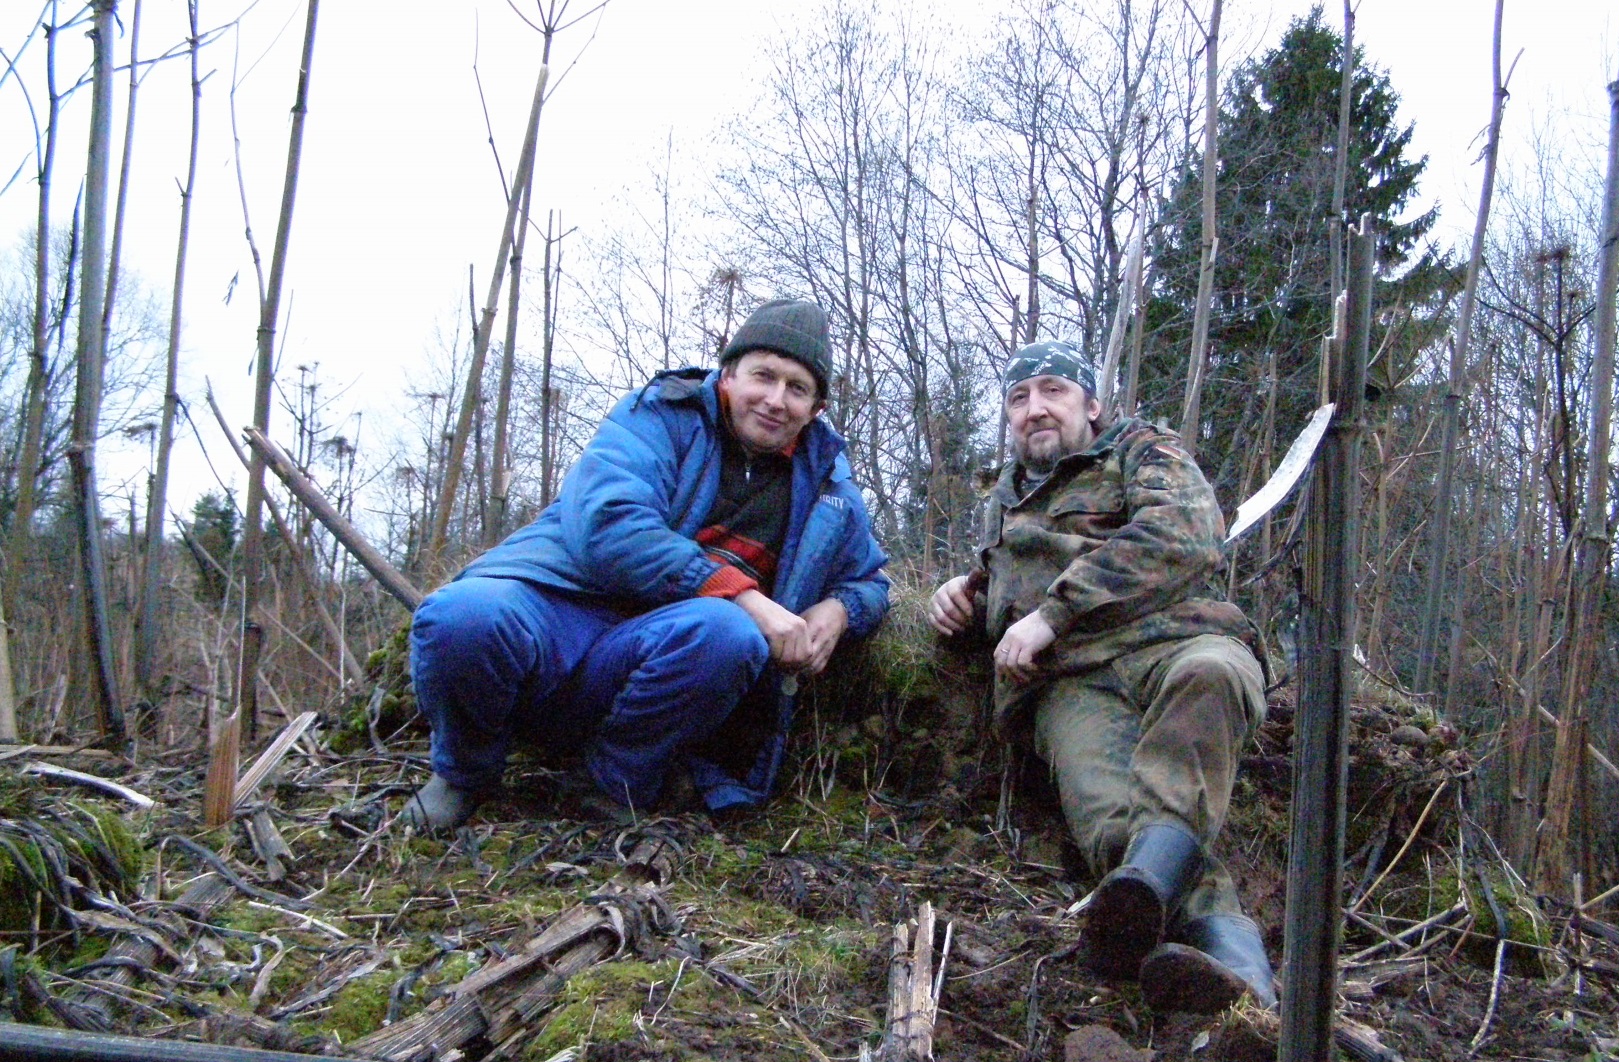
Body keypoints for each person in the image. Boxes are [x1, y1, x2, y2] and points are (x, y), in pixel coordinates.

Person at [402, 299, 890, 831]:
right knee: (464, 617)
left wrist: (840, 609)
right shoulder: (658, 415)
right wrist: (745, 596)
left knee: (728, 635)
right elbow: (610, 524)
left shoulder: (827, 486)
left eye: (797, 388)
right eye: (763, 376)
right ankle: (464, 772)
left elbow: (869, 579)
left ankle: (611, 782)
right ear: (728, 376)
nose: (775, 400)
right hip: (558, 614)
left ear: (816, 408)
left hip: (650, 652)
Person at [928, 340, 1276, 1013]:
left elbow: (1185, 532)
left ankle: (1172, 929)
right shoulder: (1003, 499)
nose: (1035, 408)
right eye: (1019, 398)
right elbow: (1010, 591)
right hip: (1070, 682)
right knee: (1113, 821)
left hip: (1178, 639)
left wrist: (1056, 612)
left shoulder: (1139, 450)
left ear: (1091, 405)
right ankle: (1232, 964)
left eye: (1053, 391)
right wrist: (966, 595)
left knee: (1211, 677)